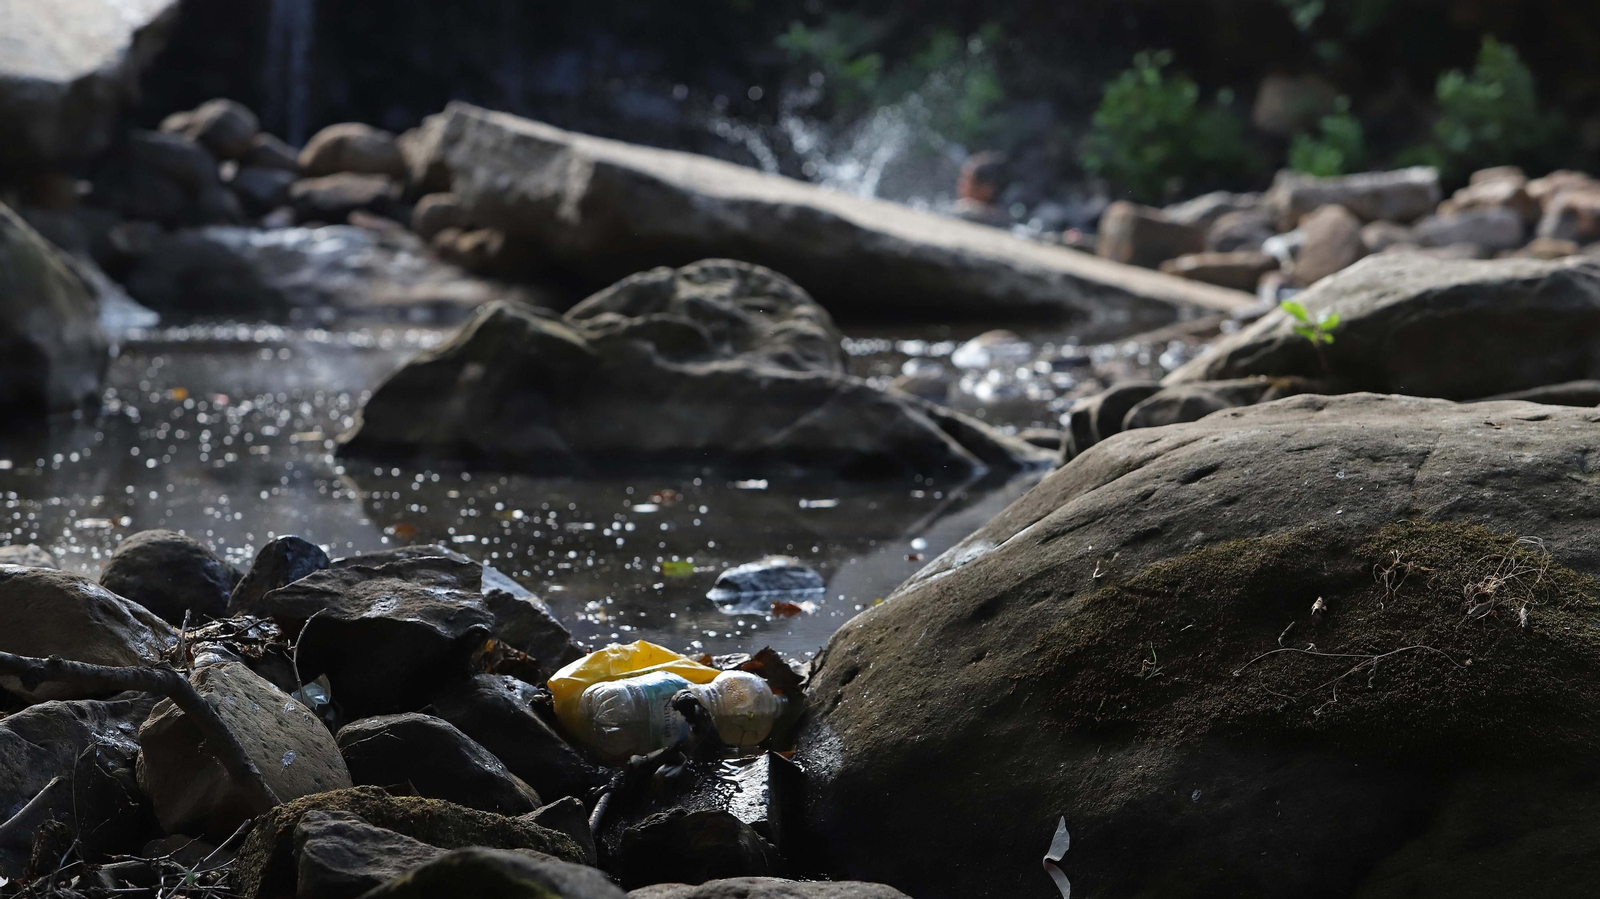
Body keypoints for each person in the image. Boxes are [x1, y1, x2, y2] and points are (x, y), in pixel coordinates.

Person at [953, 151, 1011, 226]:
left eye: (966, 179)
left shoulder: (969, 212)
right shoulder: (1006, 217)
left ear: (986, 188)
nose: (960, 184)